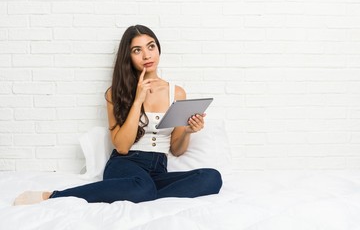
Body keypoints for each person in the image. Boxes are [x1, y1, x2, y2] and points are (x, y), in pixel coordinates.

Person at [13, 25, 222, 205]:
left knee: (212, 178)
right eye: (137, 50)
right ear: (128, 56)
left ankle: (142, 194)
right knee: (142, 188)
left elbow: (176, 150)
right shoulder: (116, 93)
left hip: (158, 169)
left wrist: (187, 131)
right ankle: (54, 196)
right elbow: (121, 146)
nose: (147, 55)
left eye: (151, 46)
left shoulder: (176, 92)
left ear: (158, 49)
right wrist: (138, 100)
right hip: (125, 164)